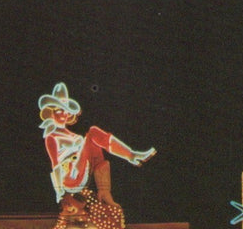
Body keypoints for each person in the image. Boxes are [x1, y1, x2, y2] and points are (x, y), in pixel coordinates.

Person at [38, 82, 155, 215]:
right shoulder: (51, 136)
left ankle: (104, 191)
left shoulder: (74, 135)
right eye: (59, 111)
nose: (64, 114)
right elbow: (55, 164)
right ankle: (132, 155)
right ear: (51, 113)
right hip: (70, 176)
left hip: (83, 170)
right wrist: (59, 192)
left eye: (66, 111)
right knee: (93, 133)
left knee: (95, 145)